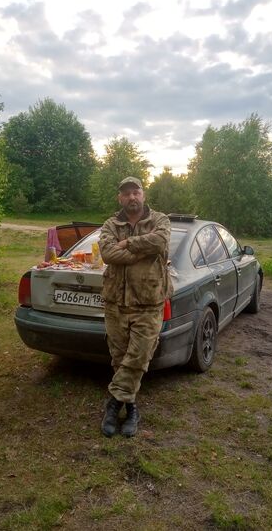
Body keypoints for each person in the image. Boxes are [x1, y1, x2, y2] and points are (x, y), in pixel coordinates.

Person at [98, 176, 173, 437]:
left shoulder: (160, 220)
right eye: (126, 193)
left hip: (149, 302)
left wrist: (128, 243)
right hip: (115, 303)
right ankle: (131, 409)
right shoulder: (111, 224)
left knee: (139, 357)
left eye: (136, 192)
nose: (132, 197)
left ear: (143, 194)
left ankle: (112, 404)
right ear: (120, 198)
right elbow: (108, 254)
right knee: (120, 360)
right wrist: (143, 250)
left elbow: (160, 242)